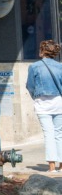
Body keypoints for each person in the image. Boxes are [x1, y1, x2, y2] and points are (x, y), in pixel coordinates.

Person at [25, 40, 62, 173]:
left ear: (42, 51)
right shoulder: (60, 66)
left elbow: (30, 86)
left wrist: (36, 96)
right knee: (59, 134)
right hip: (59, 103)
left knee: (49, 134)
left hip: (43, 104)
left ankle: (51, 167)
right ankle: (61, 166)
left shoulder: (34, 67)